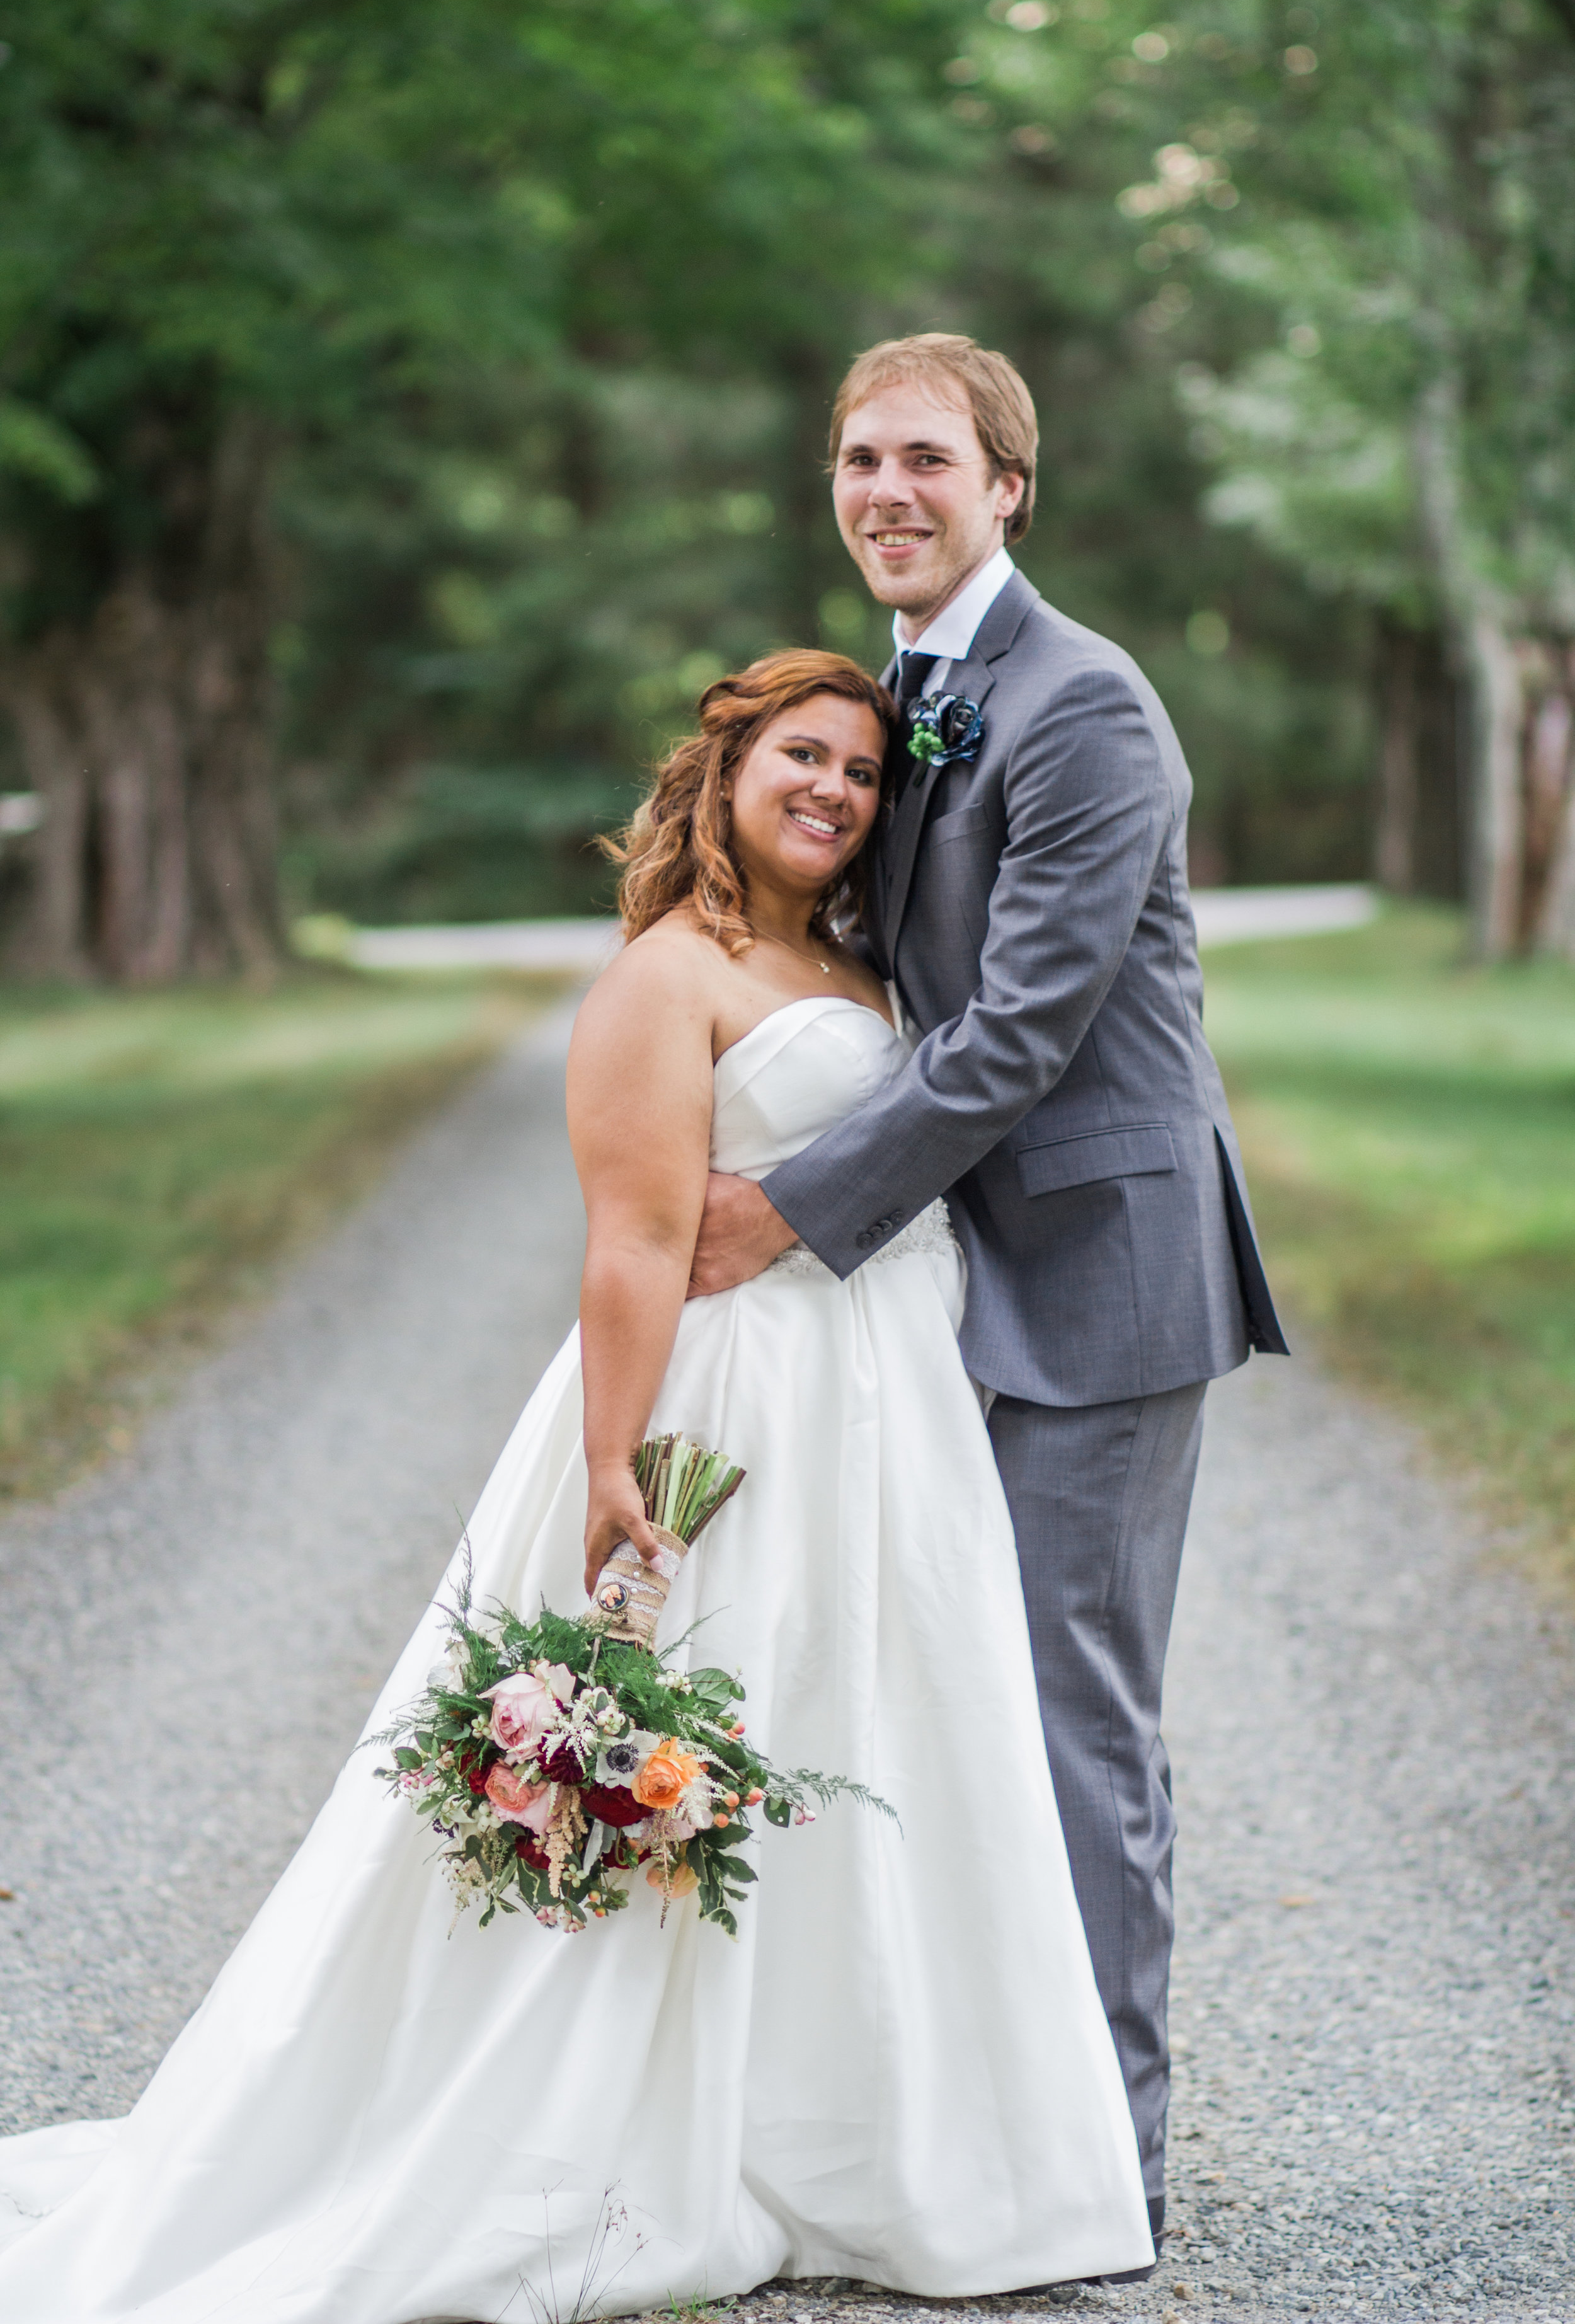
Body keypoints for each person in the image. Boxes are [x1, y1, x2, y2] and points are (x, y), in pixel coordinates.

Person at [0, 647, 1155, 2322]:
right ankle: (591, 2128)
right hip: (733, 1403)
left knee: (881, 1730)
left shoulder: (847, 961)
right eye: (801, 759)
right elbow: (628, 1239)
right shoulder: (662, 980)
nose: (834, 789)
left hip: (888, 1401)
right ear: (724, 773)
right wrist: (612, 1464)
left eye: (858, 772)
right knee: (710, 1727)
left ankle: (862, 2134)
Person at [688, 335, 1288, 2265]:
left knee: (1069, 1723)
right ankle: (974, 2128)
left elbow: (1021, 1029)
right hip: (961, 1274)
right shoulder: (914, 693)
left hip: (1099, 1277)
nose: (886, 492)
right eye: (858, 459)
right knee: (949, 1708)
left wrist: (780, 1208)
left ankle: (1108, 2167)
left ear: (1007, 484)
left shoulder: (1084, 704)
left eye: (926, 461)